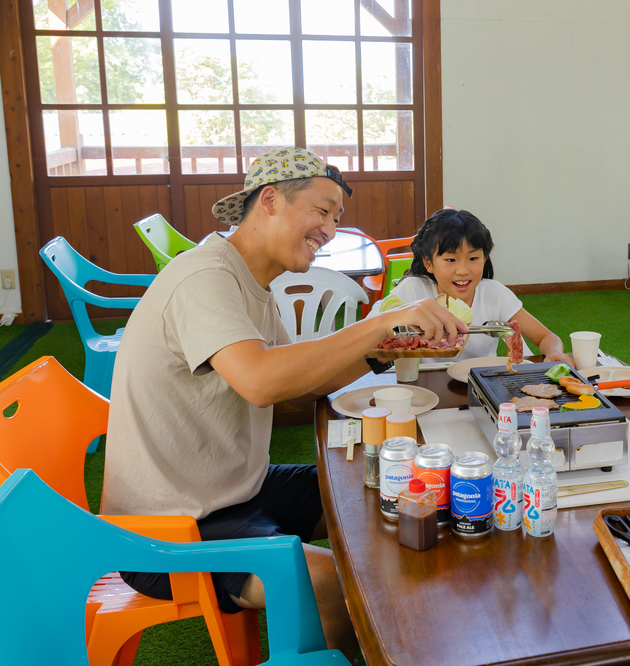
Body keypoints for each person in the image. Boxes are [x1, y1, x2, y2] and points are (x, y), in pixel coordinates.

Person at [102, 147, 467, 655]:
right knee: (331, 583)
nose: (330, 229)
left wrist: (384, 352)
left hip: (236, 489)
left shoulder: (253, 282)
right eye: (322, 211)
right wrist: (378, 322)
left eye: (336, 217)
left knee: (382, 487)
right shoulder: (204, 277)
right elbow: (262, 381)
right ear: (269, 200)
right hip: (168, 529)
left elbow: (302, 379)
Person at [370, 207, 575, 365]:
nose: (463, 271)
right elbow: (370, 332)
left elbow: (546, 337)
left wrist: (555, 351)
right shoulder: (414, 290)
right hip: (423, 389)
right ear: (428, 263)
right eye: (451, 260)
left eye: (473, 258)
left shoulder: (495, 294)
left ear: (485, 258)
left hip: (482, 386)